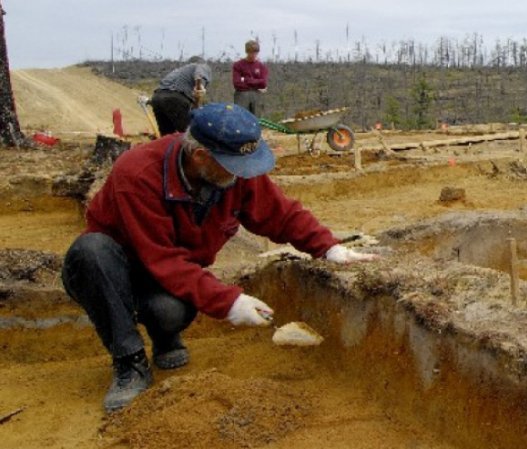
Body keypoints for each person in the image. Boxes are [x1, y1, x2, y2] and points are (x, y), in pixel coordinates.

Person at [61, 102, 376, 412]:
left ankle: (164, 336)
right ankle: (129, 364)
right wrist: (229, 302)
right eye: (237, 168)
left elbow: (280, 213)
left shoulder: (231, 170)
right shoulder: (138, 174)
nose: (244, 175)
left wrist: (328, 247)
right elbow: (163, 259)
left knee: (170, 312)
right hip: (116, 270)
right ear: (200, 156)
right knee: (91, 252)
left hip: (167, 275)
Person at [150, 56, 212, 136]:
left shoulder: (177, 71)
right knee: (189, 134)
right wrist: (200, 87)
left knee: (167, 136)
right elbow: (199, 75)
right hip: (175, 98)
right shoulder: (201, 66)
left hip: (157, 98)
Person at [232, 40, 268, 115]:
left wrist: (246, 80)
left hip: (256, 95)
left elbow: (263, 83)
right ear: (247, 52)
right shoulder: (238, 65)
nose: (253, 55)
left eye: (255, 52)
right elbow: (237, 83)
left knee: (256, 119)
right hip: (241, 95)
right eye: (251, 52)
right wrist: (256, 83)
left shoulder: (261, 66)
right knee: (241, 117)